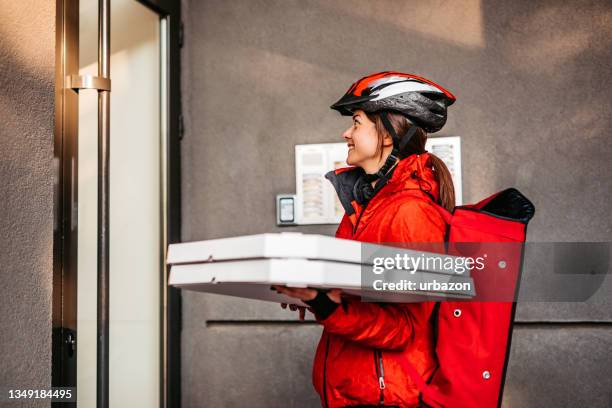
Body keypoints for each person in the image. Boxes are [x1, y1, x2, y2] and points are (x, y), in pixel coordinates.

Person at [273, 71, 456, 408]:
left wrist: (323, 302)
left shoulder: (411, 213)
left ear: (386, 134)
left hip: (389, 399)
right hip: (355, 396)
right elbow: (356, 294)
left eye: (357, 122)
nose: (346, 133)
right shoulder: (364, 207)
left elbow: (404, 328)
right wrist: (310, 294)